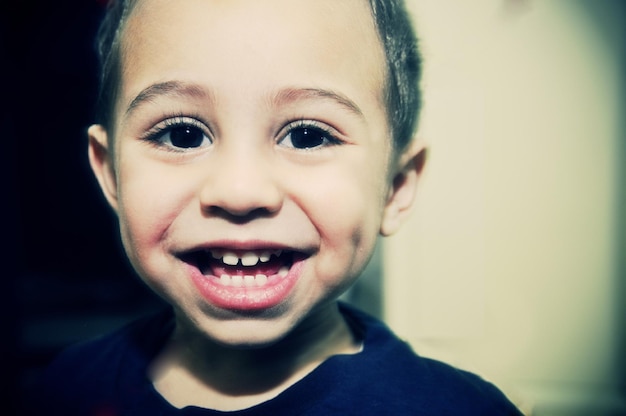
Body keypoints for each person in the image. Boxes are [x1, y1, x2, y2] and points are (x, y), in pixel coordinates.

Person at [31, 0, 523, 414]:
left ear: (395, 186)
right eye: (182, 135)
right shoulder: (60, 391)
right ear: (111, 174)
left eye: (307, 136)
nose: (241, 192)